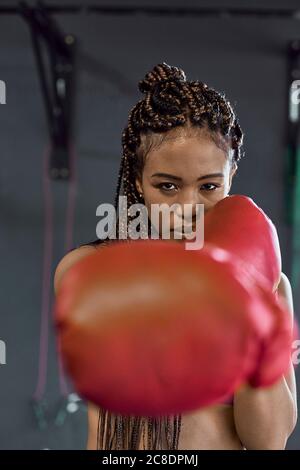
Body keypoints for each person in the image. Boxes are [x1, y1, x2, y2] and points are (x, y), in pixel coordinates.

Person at [54, 62, 297, 450]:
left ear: (231, 175)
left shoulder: (270, 283)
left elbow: (268, 440)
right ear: (137, 180)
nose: (188, 206)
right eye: (167, 186)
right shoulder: (87, 269)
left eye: (208, 186)